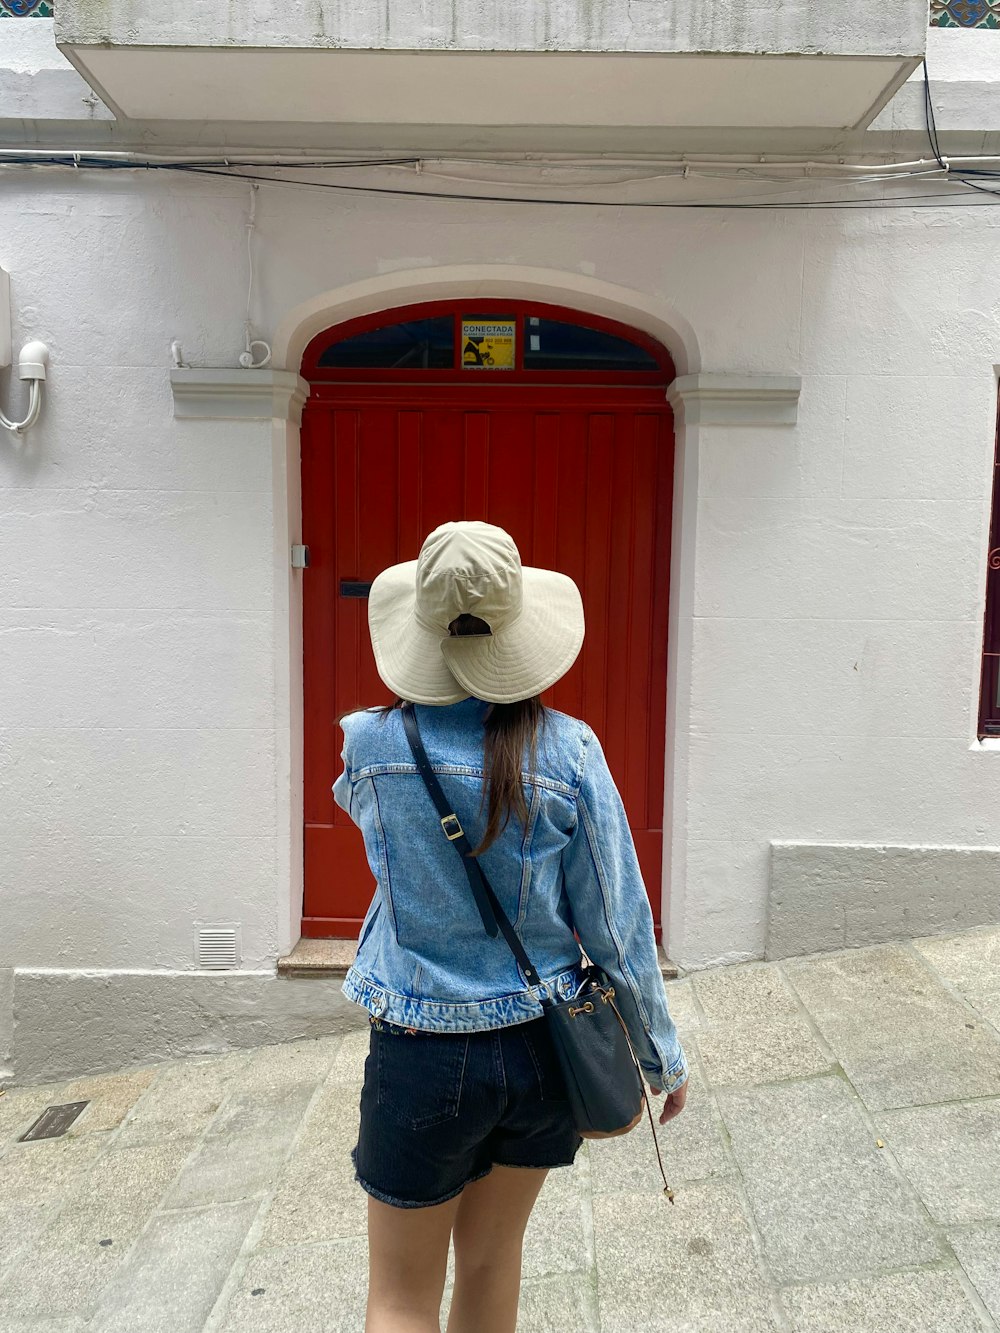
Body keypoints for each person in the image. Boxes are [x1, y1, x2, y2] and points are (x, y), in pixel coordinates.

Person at [333, 520, 688, 1333]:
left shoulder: (369, 745)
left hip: (420, 1054)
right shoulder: (569, 751)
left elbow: (367, 824)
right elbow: (617, 921)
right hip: (540, 1051)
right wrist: (659, 1053)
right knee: (492, 1265)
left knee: (398, 1297)